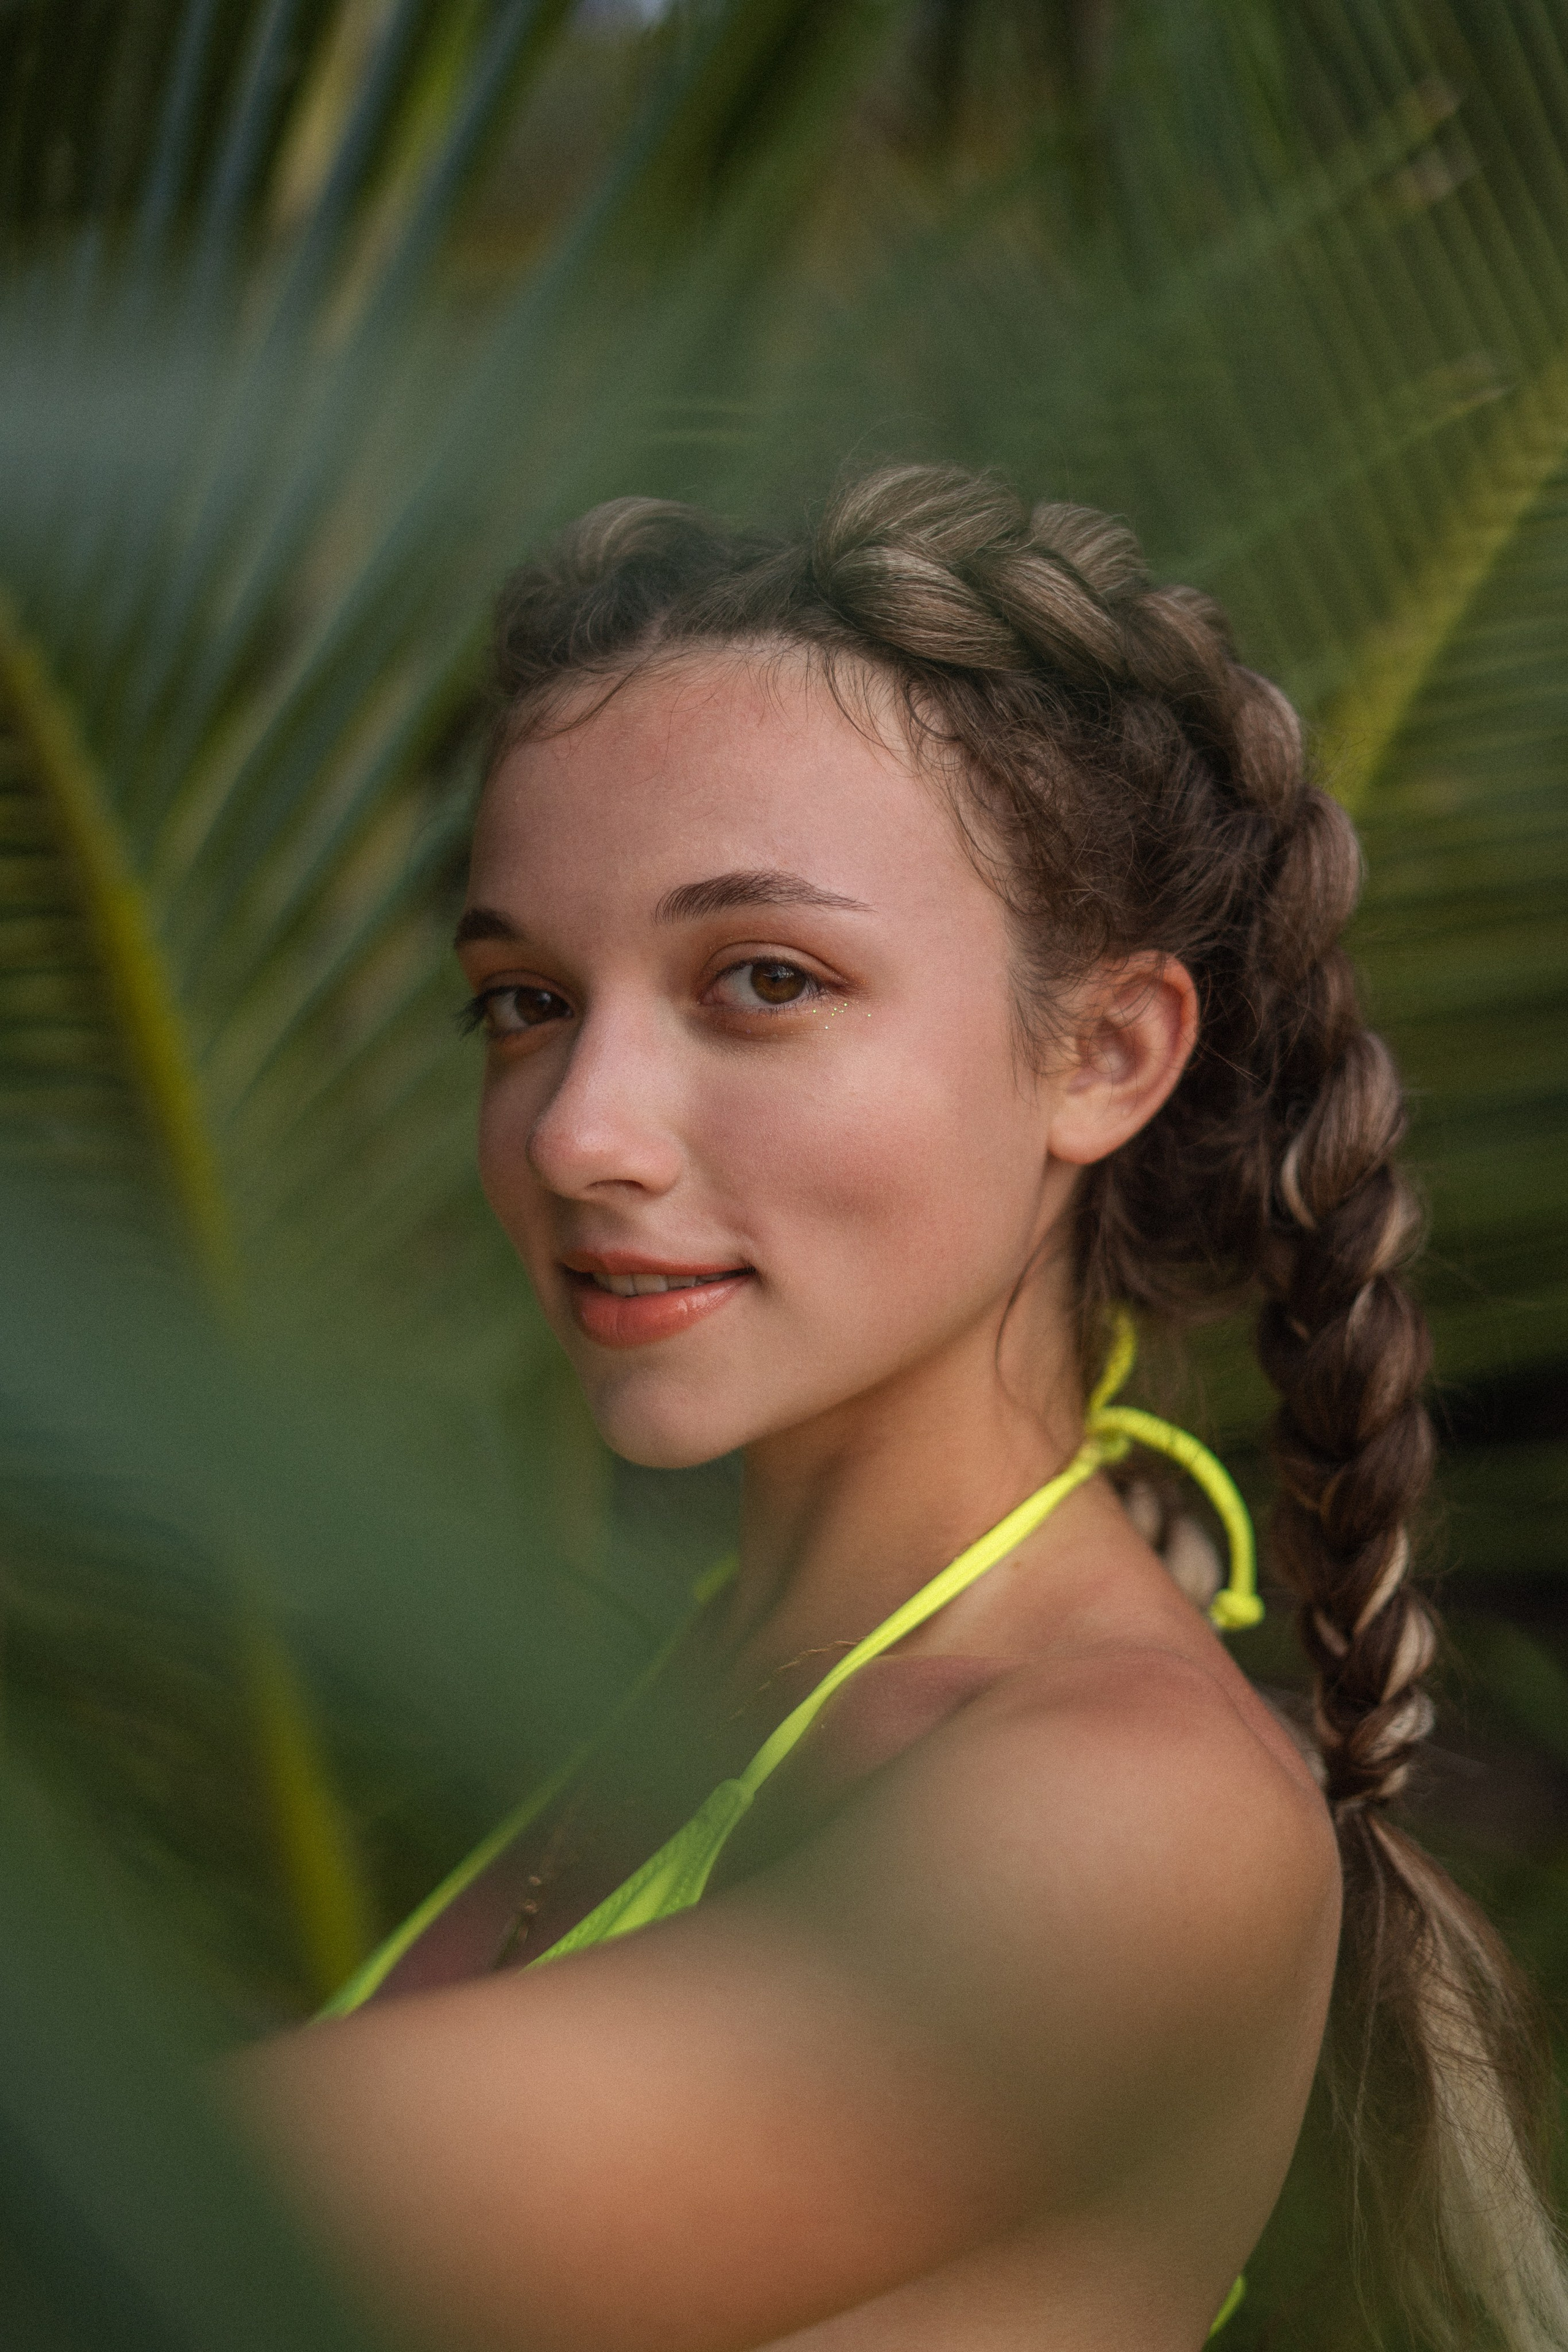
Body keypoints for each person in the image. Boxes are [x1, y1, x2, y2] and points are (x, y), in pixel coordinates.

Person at [234, 467, 1567, 2352]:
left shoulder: (1126, 1820)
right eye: (523, 1001)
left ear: (1103, 1053)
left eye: (761, 981)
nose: (581, 1131)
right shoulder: (729, 1676)